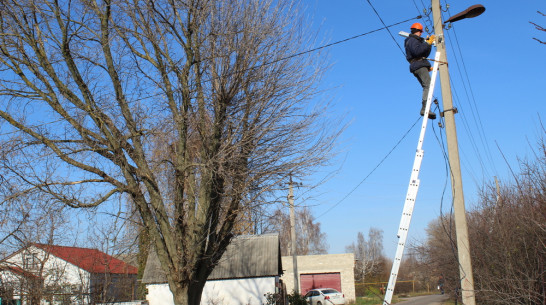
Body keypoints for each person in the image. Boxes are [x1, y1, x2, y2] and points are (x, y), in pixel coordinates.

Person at [404, 22, 436, 119]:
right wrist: (426, 43)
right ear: (417, 31)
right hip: (418, 65)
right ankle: (425, 108)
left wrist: (428, 44)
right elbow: (418, 52)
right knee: (428, 86)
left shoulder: (414, 41)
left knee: (426, 86)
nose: (421, 34)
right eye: (420, 32)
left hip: (418, 65)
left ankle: (425, 108)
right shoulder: (412, 40)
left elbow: (424, 54)